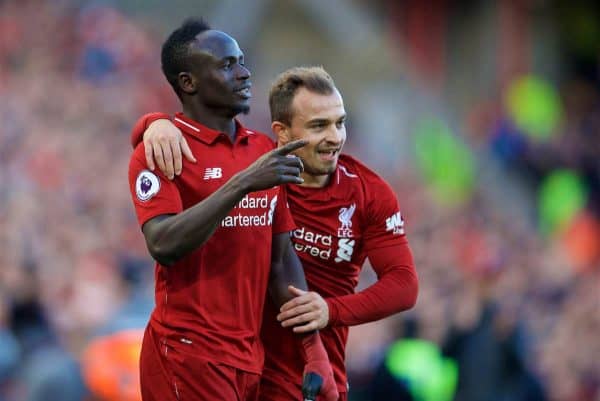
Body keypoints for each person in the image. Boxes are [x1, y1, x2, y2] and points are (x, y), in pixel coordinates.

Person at [131, 66, 419, 401]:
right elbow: (200, 142)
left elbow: (404, 285)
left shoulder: (369, 192)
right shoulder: (254, 170)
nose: (335, 136)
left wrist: (330, 310)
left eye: (340, 122)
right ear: (281, 133)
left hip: (316, 379)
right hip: (241, 374)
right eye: (318, 125)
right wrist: (153, 123)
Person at [127, 20, 337, 401]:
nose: (244, 72)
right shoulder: (161, 151)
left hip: (248, 359)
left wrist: (312, 348)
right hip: (187, 354)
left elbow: (281, 259)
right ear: (189, 83)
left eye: (241, 61)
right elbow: (162, 243)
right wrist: (242, 183)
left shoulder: (262, 150)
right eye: (226, 65)